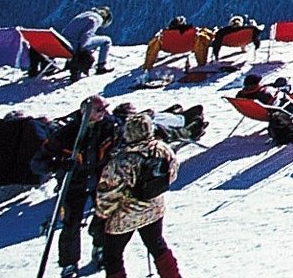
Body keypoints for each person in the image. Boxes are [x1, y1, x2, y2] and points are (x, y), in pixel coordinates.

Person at [92, 111, 181, 278]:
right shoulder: (163, 149)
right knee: (158, 246)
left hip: (125, 215)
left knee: (112, 257)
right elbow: (172, 173)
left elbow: (108, 195)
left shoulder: (121, 161)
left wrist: (101, 217)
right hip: (154, 208)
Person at [46, 95, 121, 278]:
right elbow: (40, 161)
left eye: (105, 109)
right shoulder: (68, 132)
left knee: (105, 215)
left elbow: (119, 144)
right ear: (85, 112)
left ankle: (100, 246)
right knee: (71, 223)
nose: (104, 113)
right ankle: (69, 263)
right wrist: (60, 165)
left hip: (99, 178)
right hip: (74, 182)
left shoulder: (110, 126)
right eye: (99, 110)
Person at [139, 17, 207, 74]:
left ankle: (148, 66)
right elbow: (206, 37)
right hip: (188, 46)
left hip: (169, 47)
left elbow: (151, 44)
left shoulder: (164, 35)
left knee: (154, 43)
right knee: (201, 38)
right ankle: (201, 62)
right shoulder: (193, 33)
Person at [65, 6, 113, 78]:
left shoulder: (85, 14)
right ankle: (101, 66)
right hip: (74, 46)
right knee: (107, 41)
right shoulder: (96, 19)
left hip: (64, 42)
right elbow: (85, 37)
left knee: (93, 39)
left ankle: (69, 63)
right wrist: (82, 53)